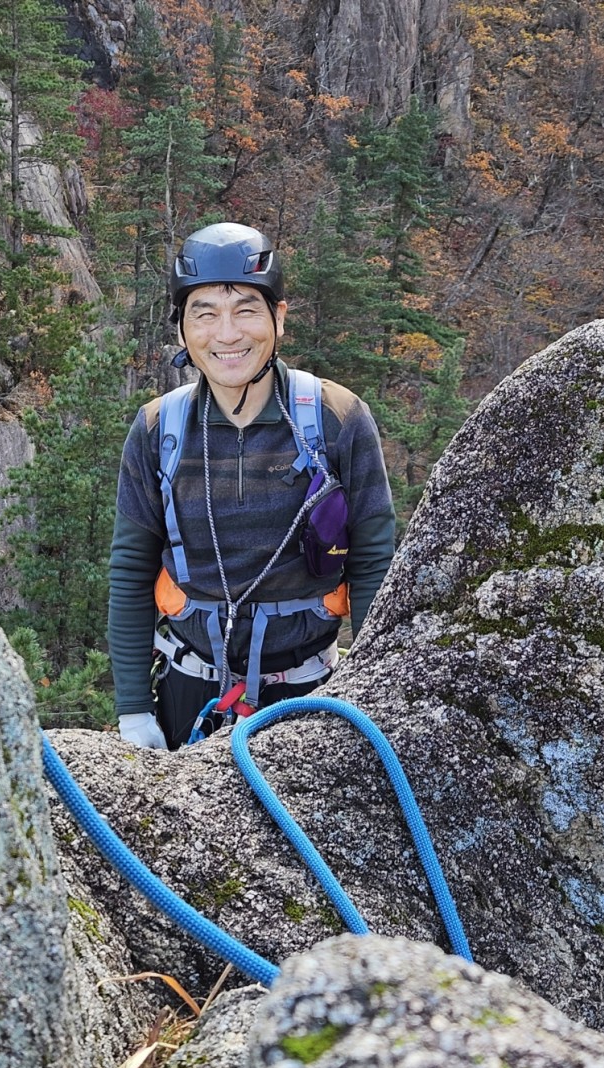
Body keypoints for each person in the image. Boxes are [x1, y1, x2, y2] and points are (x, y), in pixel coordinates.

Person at [108, 222, 396, 749]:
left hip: (309, 693)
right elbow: (131, 569)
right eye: (205, 313)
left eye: (246, 309)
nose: (227, 334)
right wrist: (133, 710)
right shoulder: (158, 430)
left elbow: (374, 563)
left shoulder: (337, 418)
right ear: (181, 331)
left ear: (278, 318)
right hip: (185, 691)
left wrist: (375, 693)